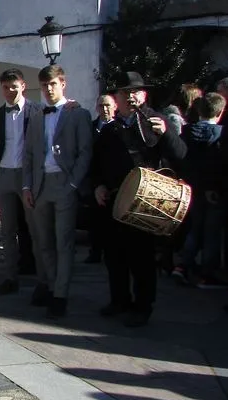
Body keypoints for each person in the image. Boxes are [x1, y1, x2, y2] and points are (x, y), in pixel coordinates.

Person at [91, 71, 187, 327]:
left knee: (141, 257)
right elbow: (96, 163)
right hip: (115, 200)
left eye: (135, 92)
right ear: (117, 97)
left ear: (143, 95)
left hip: (144, 201)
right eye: (125, 92)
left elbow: (180, 155)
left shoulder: (156, 121)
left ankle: (143, 306)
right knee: (114, 256)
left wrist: (166, 134)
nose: (131, 96)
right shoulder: (109, 129)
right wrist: (98, 185)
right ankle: (119, 300)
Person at [21, 65, 93, 318]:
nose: (48, 89)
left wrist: (73, 184)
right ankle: (51, 287)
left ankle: (61, 294)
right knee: (44, 242)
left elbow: (85, 152)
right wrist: (27, 186)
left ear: (63, 83)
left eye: (53, 84)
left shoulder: (78, 114)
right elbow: (28, 155)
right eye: (44, 85)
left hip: (64, 183)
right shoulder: (36, 116)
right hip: (40, 185)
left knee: (64, 242)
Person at [0, 69, 44, 295]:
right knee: (7, 231)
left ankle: (44, 280)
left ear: (23, 85)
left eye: (14, 86)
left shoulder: (38, 111)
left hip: (27, 175)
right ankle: (11, 278)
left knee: (35, 229)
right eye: (5, 87)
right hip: (2, 175)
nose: (10, 91)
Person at [173, 93, 228, 288]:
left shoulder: (187, 132)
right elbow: (217, 163)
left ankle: (182, 265)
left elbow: (180, 157)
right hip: (213, 191)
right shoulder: (220, 134)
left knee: (194, 229)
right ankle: (207, 273)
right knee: (211, 233)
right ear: (220, 112)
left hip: (191, 188)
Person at [85, 94, 117, 264]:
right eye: (101, 106)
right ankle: (95, 251)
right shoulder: (91, 127)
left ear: (115, 107)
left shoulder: (119, 127)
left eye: (108, 105)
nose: (105, 109)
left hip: (113, 179)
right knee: (95, 218)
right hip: (94, 178)